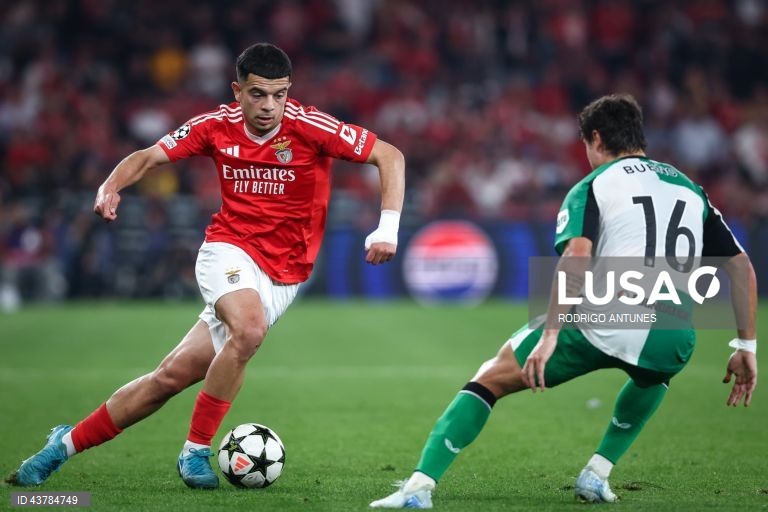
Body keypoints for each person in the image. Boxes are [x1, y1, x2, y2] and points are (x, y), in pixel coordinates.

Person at [7, 42, 405, 489]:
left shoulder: (311, 126)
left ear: (289, 91)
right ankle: (195, 451)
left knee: (168, 379)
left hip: (284, 275)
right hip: (227, 250)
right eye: (258, 94)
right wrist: (110, 185)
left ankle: (62, 444)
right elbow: (150, 156)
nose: (269, 106)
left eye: (279, 94)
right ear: (238, 91)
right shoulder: (215, 126)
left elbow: (390, 155)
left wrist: (387, 226)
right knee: (249, 331)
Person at [369, 94, 758, 508]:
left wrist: (551, 332)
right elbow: (741, 267)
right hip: (675, 331)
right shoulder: (690, 190)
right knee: (652, 373)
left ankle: (419, 487)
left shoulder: (595, 184)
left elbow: (576, 256)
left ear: (595, 138)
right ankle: (597, 473)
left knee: (489, 377)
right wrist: (745, 346)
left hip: (608, 316)